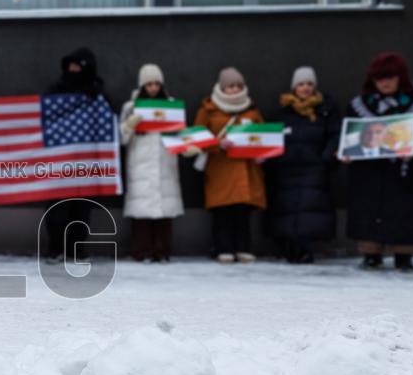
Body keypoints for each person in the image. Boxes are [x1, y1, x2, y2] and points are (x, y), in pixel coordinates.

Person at [342, 52, 413, 271]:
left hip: (406, 171)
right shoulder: (361, 104)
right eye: (379, 78)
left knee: (404, 209)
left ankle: (403, 255)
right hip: (369, 172)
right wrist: (345, 151)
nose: (384, 83)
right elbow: (347, 135)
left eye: (390, 77)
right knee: (369, 208)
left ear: (401, 77)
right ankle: (371, 253)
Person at [190, 67, 266, 264]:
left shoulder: (252, 109)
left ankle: (243, 248)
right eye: (231, 86)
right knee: (222, 211)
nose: (235, 89)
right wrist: (217, 144)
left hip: (246, 169)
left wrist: (263, 152)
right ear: (223, 87)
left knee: (243, 211)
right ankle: (223, 248)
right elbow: (196, 137)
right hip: (220, 168)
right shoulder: (208, 109)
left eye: (239, 85)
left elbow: (263, 135)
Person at [265, 66, 341, 264]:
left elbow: (335, 135)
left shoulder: (326, 111)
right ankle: (289, 247)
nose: (305, 88)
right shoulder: (281, 114)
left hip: (314, 169)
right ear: (294, 87)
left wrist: (325, 158)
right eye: (301, 84)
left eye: (309, 84)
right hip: (285, 170)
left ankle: (306, 248)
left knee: (310, 210)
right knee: (287, 210)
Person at [43, 47, 107, 261]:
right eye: (69, 66)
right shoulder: (55, 92)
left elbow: (106, 121)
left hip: (84, 162)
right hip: (59, 161)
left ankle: (76, 248)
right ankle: (56, 247)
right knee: (56, 209)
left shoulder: (96, 95)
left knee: (81, 209)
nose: (72, 70)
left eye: (77, 67)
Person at [119, 64, 184, 262]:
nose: (153, 88)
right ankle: (141, 251)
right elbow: (121, 139)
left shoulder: (172, 105)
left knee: (164, 213)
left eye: (156, 83)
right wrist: (128, 126)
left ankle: (162, 251)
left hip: (165, 164)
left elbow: (181, 134)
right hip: (141, 165)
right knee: (142, 214)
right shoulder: (130, 107)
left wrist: (187, 145)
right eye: (149, 84)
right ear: (142, 86)